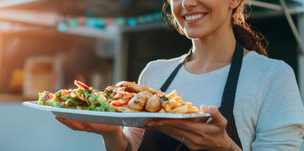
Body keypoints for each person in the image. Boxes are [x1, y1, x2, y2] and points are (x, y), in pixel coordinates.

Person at [55, 0, 304, 150]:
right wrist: (110, 132)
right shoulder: (154, 73)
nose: (187, 3)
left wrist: (225, 148)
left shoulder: (273, 76)